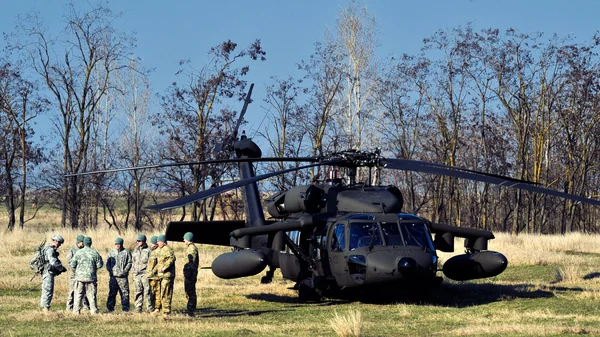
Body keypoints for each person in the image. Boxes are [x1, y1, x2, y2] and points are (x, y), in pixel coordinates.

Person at [70, 236, 103, 315]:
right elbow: (99, 265)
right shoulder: (94, 253)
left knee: (78, 295)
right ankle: (93, 312)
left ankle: (76, 312)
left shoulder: (78, 252)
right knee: (91, 296)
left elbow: (72, 264)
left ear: (84, 243)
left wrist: (78, 271)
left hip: (79, 278)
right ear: (91, 243)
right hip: (91, 278)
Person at [40, 234, 67, 312]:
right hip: (48, 272)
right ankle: (45, 308)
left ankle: (44, 307)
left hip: (46, 271)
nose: (59, 245)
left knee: (45, 289)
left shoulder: (46, 248)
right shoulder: (50, 250)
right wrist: (61, 268)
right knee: (48, 290)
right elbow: (53, 262)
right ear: (56, 242)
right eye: (59, 243)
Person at [106, 237, 132, 312]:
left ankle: (125, 309)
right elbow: (107, 263)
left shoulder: (126, 252)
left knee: (125, 294)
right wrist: (110, 271)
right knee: (112, 293)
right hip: (113, 277)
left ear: (121, 244)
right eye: (116, 244)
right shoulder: (111, 252)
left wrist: (124, 271)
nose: (117, 245)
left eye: (119, 244)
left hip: (123, 278)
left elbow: (129, 263)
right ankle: (110, 309)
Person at [66, 234, 88, 311]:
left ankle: (85, 307)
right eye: (82, 242)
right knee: (72, 291)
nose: (83, 243)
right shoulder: (72, 250)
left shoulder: (85, 249)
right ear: (79, 242)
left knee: (84, 291)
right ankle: (69, 307)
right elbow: (69, 262)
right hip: (74, 274)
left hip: (83, 274)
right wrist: (76, 270)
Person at [132, 234, 153, 313]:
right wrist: (133, 270)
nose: (138, 242)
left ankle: (149, 308)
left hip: (145, 274)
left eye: (139, 241)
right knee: (137, 291)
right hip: (137, 274)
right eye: (137, 241)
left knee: (147, 291)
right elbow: (133, 261)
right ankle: (138, 308)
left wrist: (148, 272)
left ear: (144, 241)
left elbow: (151, 262)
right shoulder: (135, 250)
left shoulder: (148, 250)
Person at [156, 234, 176, 316]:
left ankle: (166, 312)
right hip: (162, 276)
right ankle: (163, 310)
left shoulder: (168, 249)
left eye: (159, 241)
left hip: (167, 275)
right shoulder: (161, 250)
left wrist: (164, 268)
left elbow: (172, 259)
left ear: (163, 242)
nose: (158, 243)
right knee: (162, 293)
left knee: (166, 293)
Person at [183, 232, 199, 316]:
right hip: (189, 273)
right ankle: (190, 309)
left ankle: (191, 310)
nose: (183, 240)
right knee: (189, 291)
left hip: (190, 274)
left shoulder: (191, 249)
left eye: (185, 239)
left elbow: (191, 262)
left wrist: (188, 273)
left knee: (190, 291)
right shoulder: (190, 248)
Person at [147, 236, 161, 314]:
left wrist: (153, 272)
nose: (151, 245)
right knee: (152, 292)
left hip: (156, 276)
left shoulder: (158, 252)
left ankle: (157, 308)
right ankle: (153, 307)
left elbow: (158, 264)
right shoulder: (152, 252)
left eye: (152, 243)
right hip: (151, 276)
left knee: (157, 292)